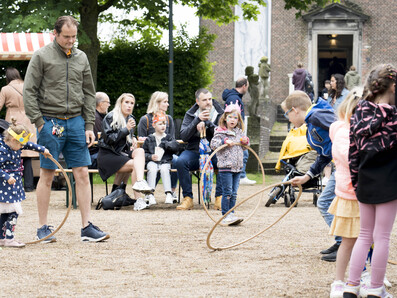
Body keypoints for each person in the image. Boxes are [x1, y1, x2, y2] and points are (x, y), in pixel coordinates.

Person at [23, 16, 109, 242]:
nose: (71, 41)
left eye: (74, 37)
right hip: (50, 121)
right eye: (66, 37)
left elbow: (90, 93)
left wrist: (89, 124)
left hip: (76, 122)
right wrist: (39, 122)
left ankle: (87, 227)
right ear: (56, 33)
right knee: (47, 174)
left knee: (82, 172)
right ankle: (42, 227)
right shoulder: (41, 56)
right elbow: (29, 91)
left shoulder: (81, 58)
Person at [343, 64, 397, 298]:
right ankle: (375, 287)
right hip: (389, 182)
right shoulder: (395, 118)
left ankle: (351, 286)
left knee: (364, 235)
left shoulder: (358, 114)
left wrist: (356, 182)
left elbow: (352, 153)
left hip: (364, 181)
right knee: (382, 236)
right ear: (393, 86)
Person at [283, 91, 341, 262]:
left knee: (325, 202)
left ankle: (345, 243)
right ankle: (341, 241)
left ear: (295, 110)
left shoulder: (316, 117)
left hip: (347, 166)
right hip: (343, 165)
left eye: (287, 114)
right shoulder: (312, 121)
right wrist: (306, 177)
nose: (288, 118)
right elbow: (324, 155)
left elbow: (341, 131)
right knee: (327, 203)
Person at [327, 87, 362, 298]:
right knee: (348, 241)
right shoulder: (342, 132)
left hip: (367, 193)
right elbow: (350, 158)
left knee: (369, 240)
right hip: (350, 194)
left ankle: (362, 276)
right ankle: (339, 281)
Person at [0, 118, 51, 248]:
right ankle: (9, 238)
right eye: (21, 145)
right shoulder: (2, 150)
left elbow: (29, 144)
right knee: (13, 211)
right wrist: (6, 176)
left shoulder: (15, 144)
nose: (23, 147)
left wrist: (42, 149)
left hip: (14, 183)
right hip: (5, 185)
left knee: (7, 212)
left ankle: (2, 238)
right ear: (12, 140)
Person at [97, 93, 152, 211]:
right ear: (120, 103)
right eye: (126, 102)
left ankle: (136, 184)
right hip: (108, 155)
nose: (129, 105)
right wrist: (126, 129)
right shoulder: (111, 117)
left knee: (140, 151)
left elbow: (124, 140)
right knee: (134, 165)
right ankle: (138, 200)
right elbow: (109, 139)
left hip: (120, 154)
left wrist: (133, 138)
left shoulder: (130, 118)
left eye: (132, 103)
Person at [175, 88, 223, 210]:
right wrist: (197, 120)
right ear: (197, 101)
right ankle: (188, 198)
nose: (208, 102)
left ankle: (220, 197)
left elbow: (223, 133)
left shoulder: (220, 113)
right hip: (194, 152)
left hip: (214, 151)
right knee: (181, 161)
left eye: (209, 99)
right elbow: (183, 136)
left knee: (224, 161)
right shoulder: (190, 114)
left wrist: (209, 124)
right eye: (204, 100)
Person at [210, 103, 249, 225]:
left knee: (234, 193)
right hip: (226, 166)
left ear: (238, 120)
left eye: (235, 117)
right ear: (225, 118)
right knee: (227, 191)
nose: (233, 120)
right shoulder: (220, 132)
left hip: (237, 167)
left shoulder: (239, 132)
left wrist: (245, 142)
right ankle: (225, 215)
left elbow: (244, 148)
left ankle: (231, 213)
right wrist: (224, 141)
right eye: (230, 117)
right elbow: (214, 144)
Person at [0, 67, 38, 192]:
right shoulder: (27, 86)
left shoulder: (5, 89)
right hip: (28, 121)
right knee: (27, 153)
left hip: (13, 121)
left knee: (12, 152)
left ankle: (13, 182)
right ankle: (29, 185)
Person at [137, 91, 178, 199]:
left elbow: (173, 140)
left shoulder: (169, 119)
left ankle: (172, 191)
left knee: (178, 160)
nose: (167, 104)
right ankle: (149, 193)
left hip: (167, 155)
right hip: (150, 156)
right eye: (165, 102)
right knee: (153, 164)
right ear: (157, 103)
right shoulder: (145, 120)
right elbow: (140, 144)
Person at [222, 77, 255, 186]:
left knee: (243, 152)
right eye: (248, 86)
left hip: (237, 130)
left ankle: (241, 175)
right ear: (244, 86)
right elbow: (232, 116)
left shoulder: (235, 97)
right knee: (242, 152)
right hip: (234, 131)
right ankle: (241, 176)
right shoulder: (234, 99)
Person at [143, 112, 180, 205]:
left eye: (164, 124)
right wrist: (150, 156)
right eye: (160, 124)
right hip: (152, 161)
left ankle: (168, 193)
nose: (163, 126)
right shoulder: (149, 139)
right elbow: (144, 153)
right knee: (152, 169)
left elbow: (176, 147)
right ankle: (150, 194)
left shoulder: (168, 137)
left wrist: (166, 144)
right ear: (154, 125)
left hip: (165, 161)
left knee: (164, 170)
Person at [89, 92, 110, 169]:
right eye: (108, 102)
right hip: (93, 155)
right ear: (101, 104)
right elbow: (99, 140)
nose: (109, 105)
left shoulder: (97, 116)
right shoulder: (96, 118)